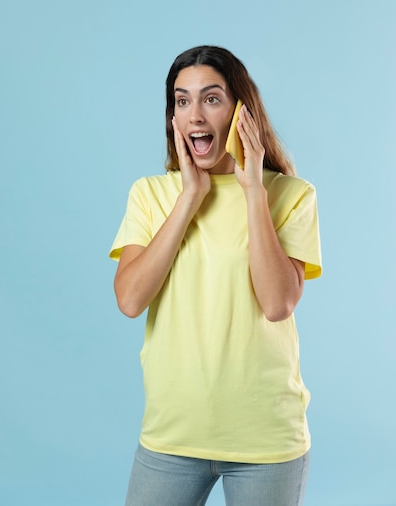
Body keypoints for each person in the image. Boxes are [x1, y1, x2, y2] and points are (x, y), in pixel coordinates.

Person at [109, 45, 322, 506]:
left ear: (241, 109)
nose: (195, 115)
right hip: (172, 434)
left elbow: (277, 303)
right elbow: (129, 300)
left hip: (265, 440)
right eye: (182, 101)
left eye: (211, 98)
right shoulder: (150, 194)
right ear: (172, 116)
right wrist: (189, 198)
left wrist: (251, 190)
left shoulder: (291, 195)